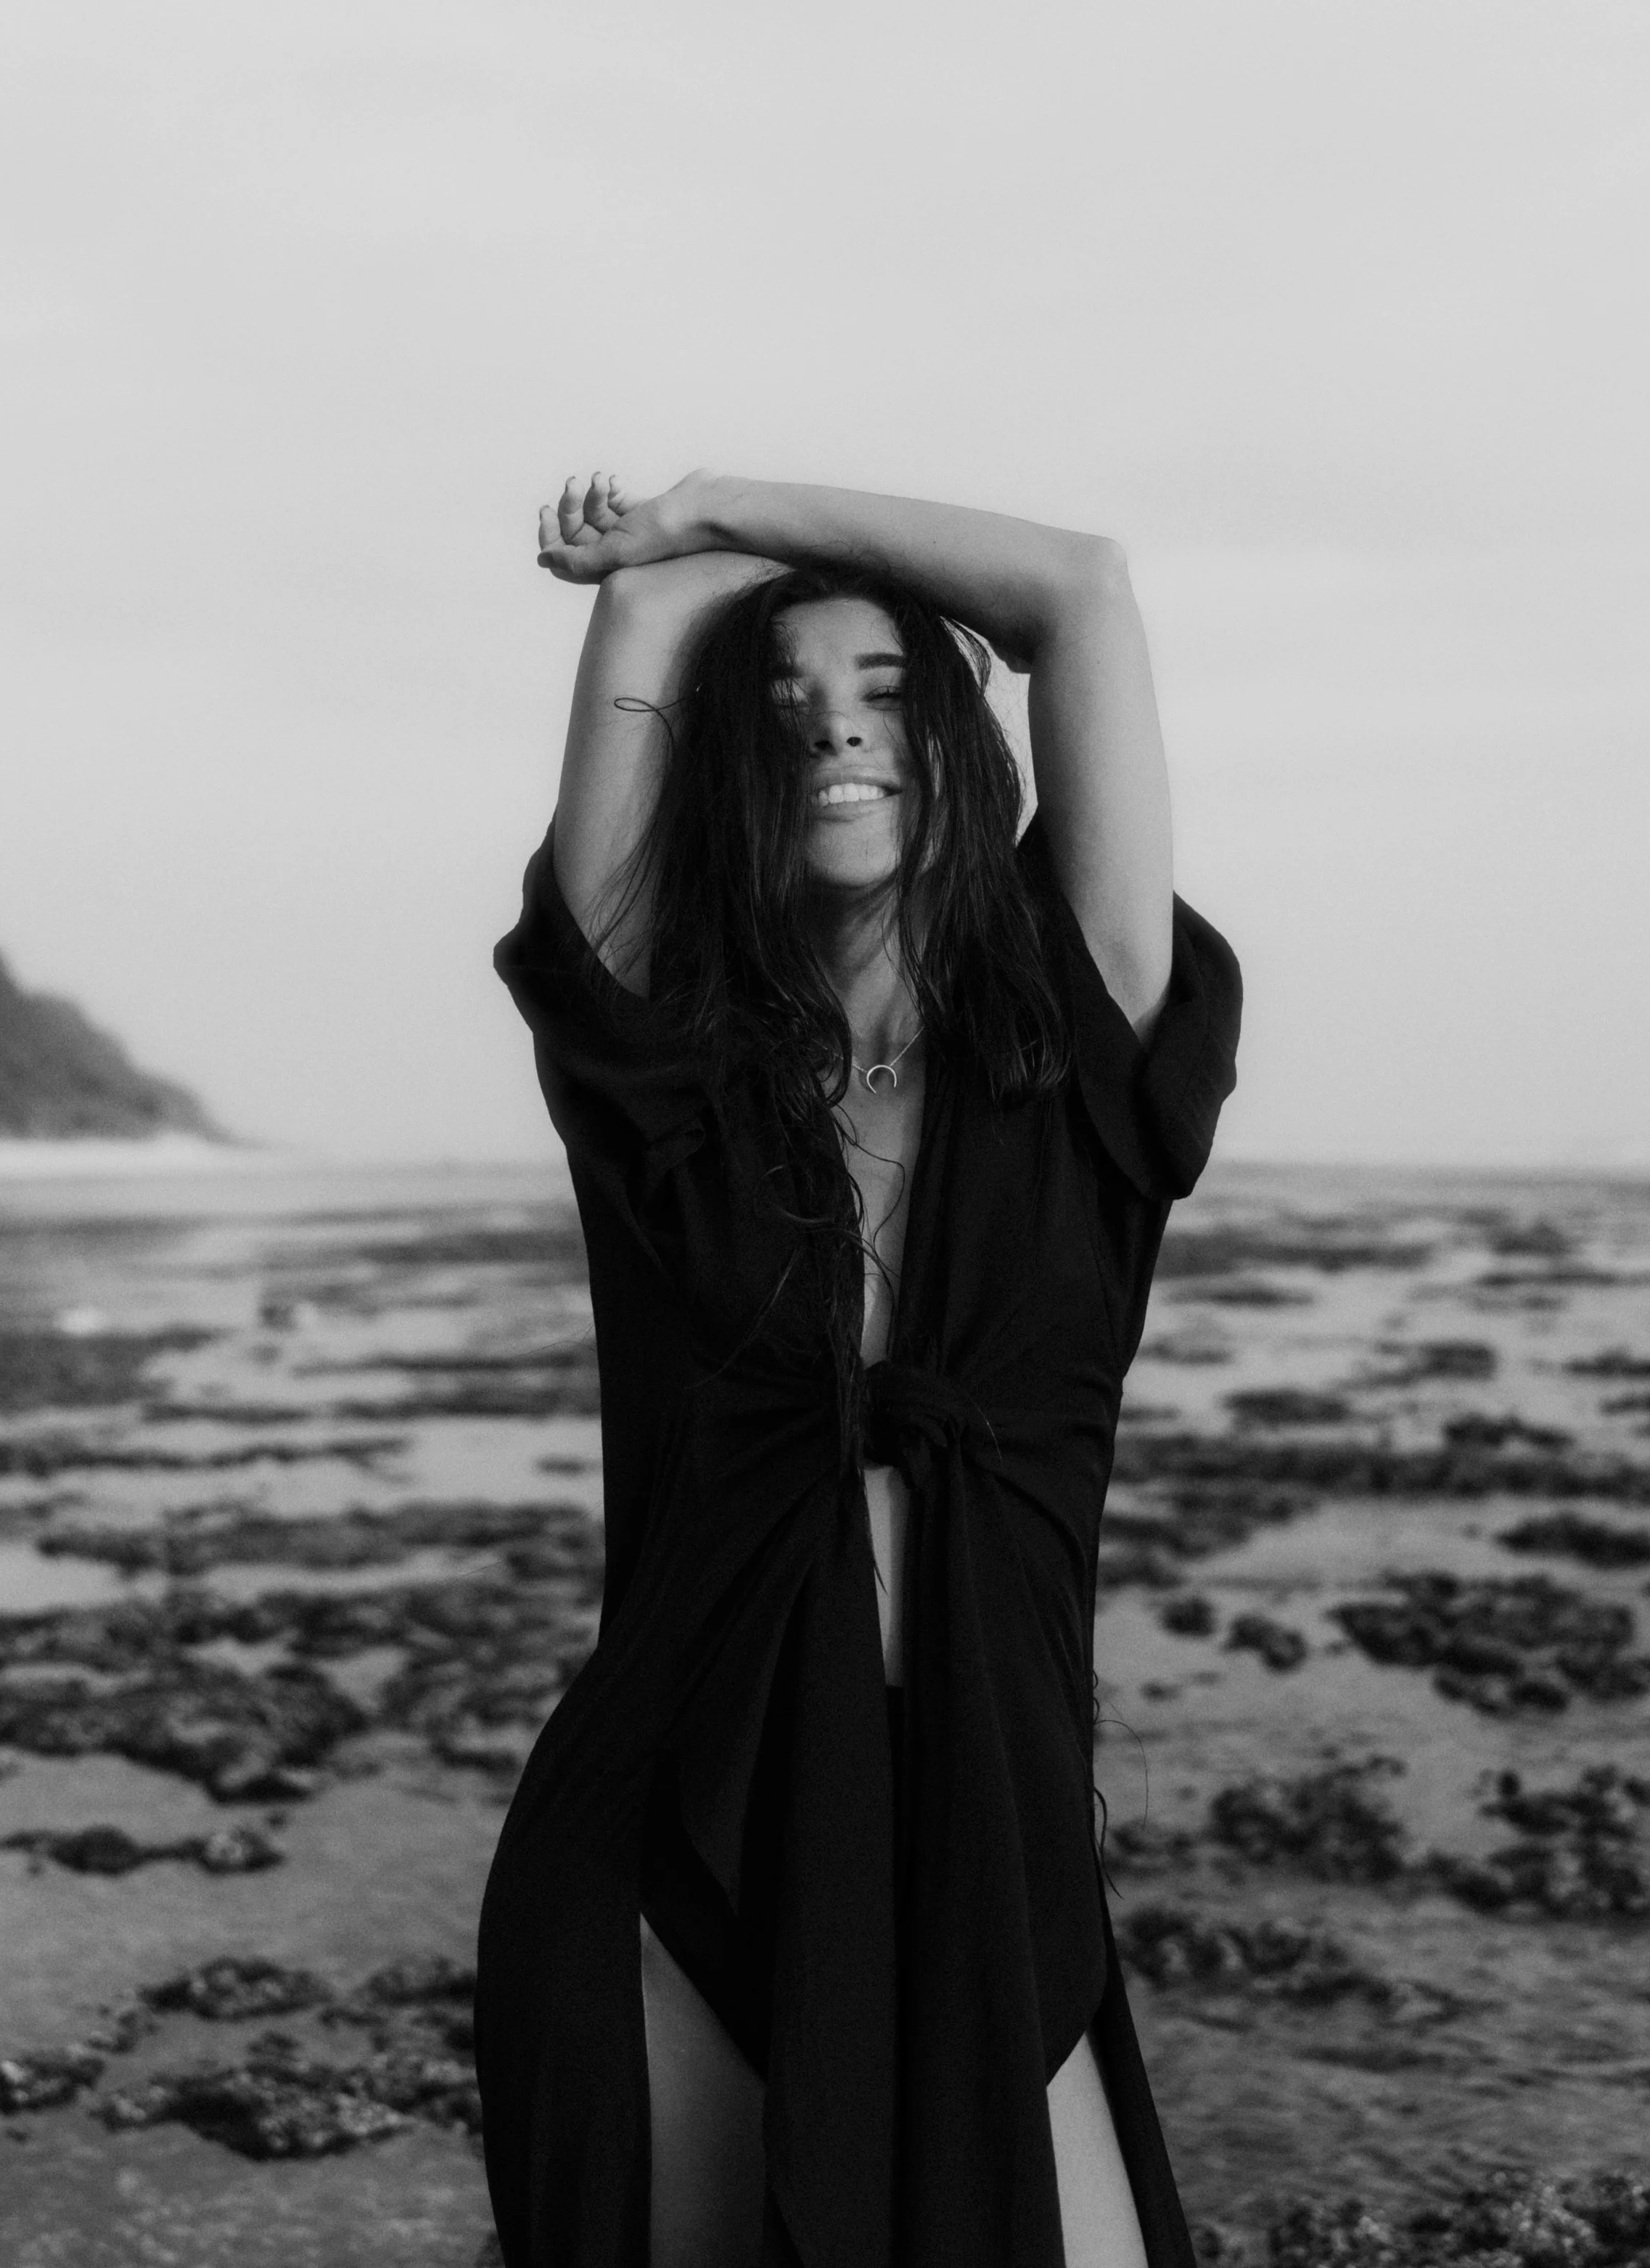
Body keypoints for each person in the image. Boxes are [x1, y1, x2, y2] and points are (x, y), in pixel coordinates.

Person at [476, 469, 1241, 2268]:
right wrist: (663, 574)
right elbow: (650, 622)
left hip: (985, 1847)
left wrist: (722, 500)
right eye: (790, 703)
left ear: (959, 744)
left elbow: (1077, 588)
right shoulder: (669, 1073)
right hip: (674, 1837)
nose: (837, 728)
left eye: (889, 690)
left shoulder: (1087, 1031)